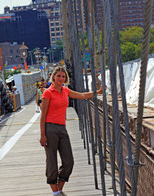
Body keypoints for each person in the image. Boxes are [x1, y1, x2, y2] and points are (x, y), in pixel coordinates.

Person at [40, 66, 103, 196]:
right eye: (58, 76)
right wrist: (42, 135)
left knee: (68, 161)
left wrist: (97, 92)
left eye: (63, 76)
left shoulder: (65, 90)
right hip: (50, 128)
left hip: (62, 128)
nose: (61, 78)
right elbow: (43, 115)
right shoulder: (48, 92)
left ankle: (58, 187)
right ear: (53, 77)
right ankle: (56, 192)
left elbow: (82, 95)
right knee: (51, 160)